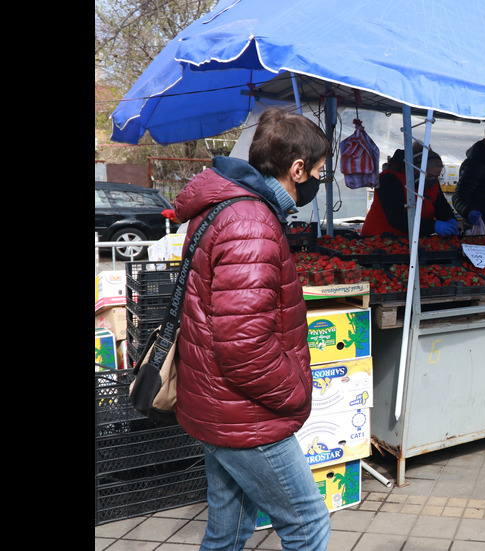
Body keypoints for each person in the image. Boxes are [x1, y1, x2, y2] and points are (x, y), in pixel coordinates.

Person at [171, 107, 331, 550]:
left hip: (220, 406)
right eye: (318, 172)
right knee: (308, 524)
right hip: (245, 413)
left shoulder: (226, 207)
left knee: (228, 533)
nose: (319, 181)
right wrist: (295, 390)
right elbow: (244, 347)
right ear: (297, 169)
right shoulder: (251, 222)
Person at [360, 143, 458, 237]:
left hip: (412, 240)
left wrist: (449, 219)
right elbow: (397, 218)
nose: (433, 180)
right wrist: (433, 226)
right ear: (416, 169)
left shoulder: (431, 181)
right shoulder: (389, 178)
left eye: (436, 176)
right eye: (430, 175)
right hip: (380, 238)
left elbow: (441, 206)